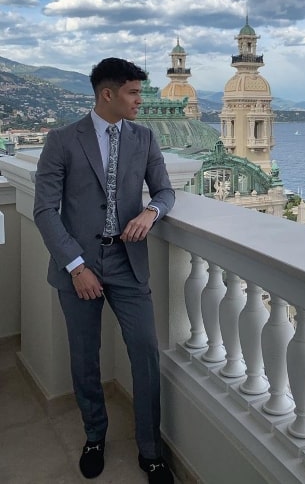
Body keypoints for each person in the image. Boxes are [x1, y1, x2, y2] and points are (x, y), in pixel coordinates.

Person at [34, 57, 176, 483]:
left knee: (146, 355)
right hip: (79, 266)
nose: (140, 100)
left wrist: (151, 213)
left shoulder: (144, 137)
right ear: (107, 94)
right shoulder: (61, 140)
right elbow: (45, 211)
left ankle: (150, 450)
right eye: (133, 93)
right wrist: (76, 266)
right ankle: (94, 436)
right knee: (85, 359)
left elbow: (166, 190)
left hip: (128, 262)